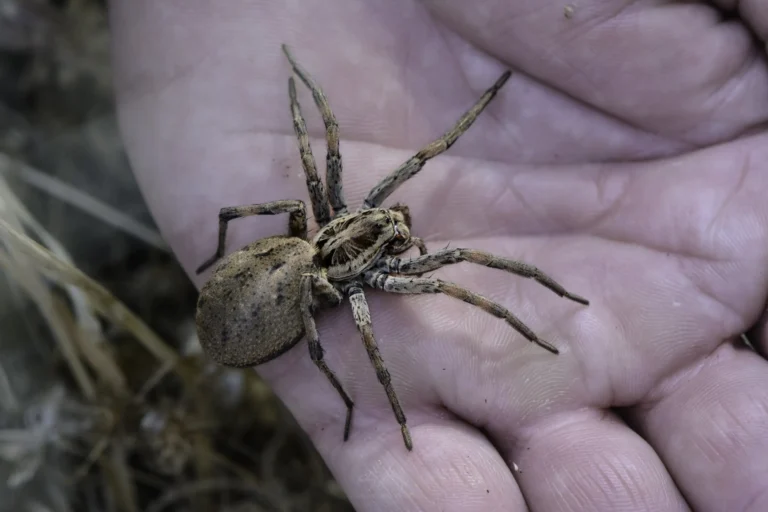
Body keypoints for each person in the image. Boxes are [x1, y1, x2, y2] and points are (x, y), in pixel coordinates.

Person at [110, 1, 768, 510]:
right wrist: (378, 402)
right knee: (451, 283)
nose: (397, 224)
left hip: (292, 265)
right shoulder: (364, 282)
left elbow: (325, 140)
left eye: (389, 223)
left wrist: (300, 91)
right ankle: (387, 407)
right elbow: (456, 284)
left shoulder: (333, 224)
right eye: (389, 224)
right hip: (297, 283)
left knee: (437, 263)